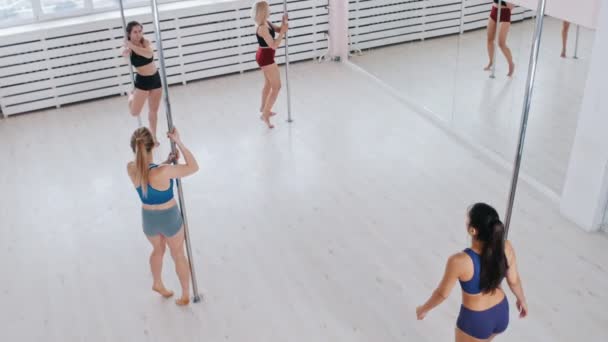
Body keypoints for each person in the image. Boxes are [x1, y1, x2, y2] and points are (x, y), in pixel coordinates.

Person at [416, 203, 528, 341]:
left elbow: (442, 294)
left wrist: (423, 309)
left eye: (467, 219)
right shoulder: (506, 247)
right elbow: (514, 280)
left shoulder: (459, 261)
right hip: (501, 312)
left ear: (472, 230)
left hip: (476, 322)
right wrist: (521, 300)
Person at [127, 126, 199, 305]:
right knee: (178, 254)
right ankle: (184, 295)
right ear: (154, 145)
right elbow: (193, 167)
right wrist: (178, 141)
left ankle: (157, 283)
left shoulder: (131, 168)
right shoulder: (164, 171)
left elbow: (149, 172)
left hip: (149, 220)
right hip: (168, 218)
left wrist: (167, 161)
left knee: (158, 250)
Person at [123, 21, 162, 145]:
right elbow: (124, 55)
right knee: (135, 113)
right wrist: (126, 52)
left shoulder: (145, 42)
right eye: (135, 32)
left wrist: (133, 46)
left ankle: (154, 137)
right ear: (129, 34)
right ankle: (131, 96)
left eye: (140, 31)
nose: (138, 34)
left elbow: (149, 53)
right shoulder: (127, 48)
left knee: (153, 111)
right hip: (142, 81)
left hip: (155, 79)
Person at [251, 1, 288, 129]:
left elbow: (278, 29)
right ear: (263, 12)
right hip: (266, 58)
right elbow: (274, 45)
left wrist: (283, 25)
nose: (270, 10)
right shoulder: (262, 28)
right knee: (277, 87)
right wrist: (283, 33)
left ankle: (263, 108)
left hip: (265, 55)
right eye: (268, 9)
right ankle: (265, 115)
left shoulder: (267, 22)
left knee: (268, 84)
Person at [484, 1, 515, 77]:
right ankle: (491, 62)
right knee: (489, 39)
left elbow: (511, 6)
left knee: (501, 43)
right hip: (494, 9)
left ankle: (511, 64)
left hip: (505, 12)